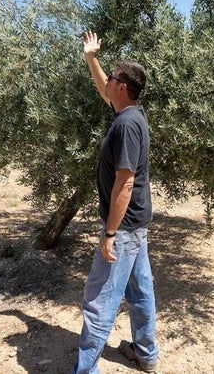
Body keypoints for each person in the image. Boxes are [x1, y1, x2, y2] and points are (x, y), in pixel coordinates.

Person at [72, 31, 159, 374]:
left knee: (99, 303)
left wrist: (109, 232)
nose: (106, 81)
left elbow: (125, 183)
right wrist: (90, 58)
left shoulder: (126, 125)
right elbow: (102, 88)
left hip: (123, 229)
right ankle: (146, 354)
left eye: (112, 78)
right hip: (136, 227)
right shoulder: (131, 113)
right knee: (140, 294)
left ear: (122, 87)